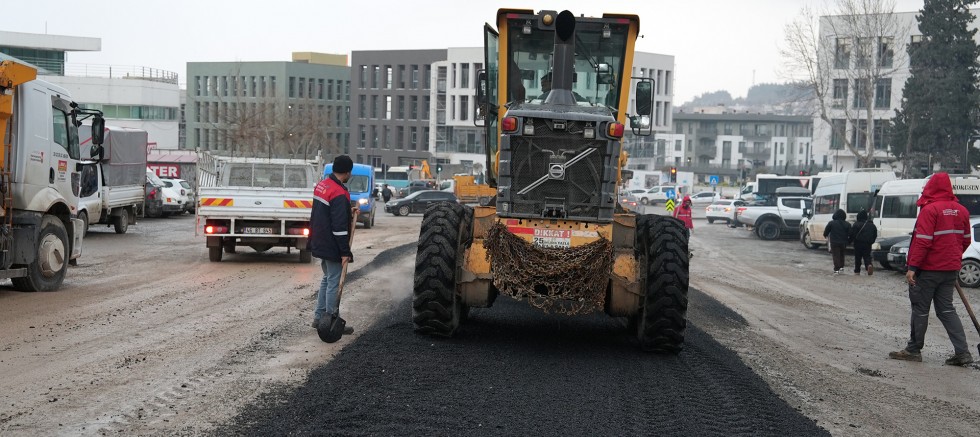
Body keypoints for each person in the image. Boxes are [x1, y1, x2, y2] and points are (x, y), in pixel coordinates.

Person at [889, 172, 974, 366]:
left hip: (928, 270)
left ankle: (913, 349)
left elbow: (923, 242)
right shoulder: (962, 211)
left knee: (920, 309)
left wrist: (912, 267)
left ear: (931, 188)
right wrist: (951, 259)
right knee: (946, 310)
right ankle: (963, 352)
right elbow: (966, 241)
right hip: (950, 270)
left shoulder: (930, 210)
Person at [310, 155, 356, 334]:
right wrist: (345, 251)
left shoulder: (323, 185)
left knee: (326, 279)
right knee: (334, 282)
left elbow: (326, 213)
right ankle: (330, 321)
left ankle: (319, 317)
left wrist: (347, 211)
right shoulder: (339, 192)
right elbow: (338, 228)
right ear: (347, 172)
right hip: (331, 244)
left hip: (319, 240)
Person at [848, 210, 878, 275]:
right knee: (867, 256)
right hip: (868, 244)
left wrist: (849, 241)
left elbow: (852, 234)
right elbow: (875, 235)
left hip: (858, 243)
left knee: (858, 257)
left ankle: (857, 271)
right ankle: (869, 265)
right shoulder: (872, 225)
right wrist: (871, 241)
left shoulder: (856, 224)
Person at [823, 209, 851, 274]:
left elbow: (826, 231)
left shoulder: (831, 223)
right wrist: (848, 241)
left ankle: (836, 269)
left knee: (836, 255)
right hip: (843, 242)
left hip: (834, 242)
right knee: (842, 254)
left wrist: (825, 235)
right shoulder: (847, 224)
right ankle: (841, 267)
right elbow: (850, 233)